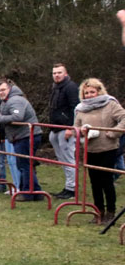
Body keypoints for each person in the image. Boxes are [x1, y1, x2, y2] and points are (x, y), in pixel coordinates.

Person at [66, 78, 125, 223]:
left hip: (108, 148)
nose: (89, 95)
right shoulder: (81, 108)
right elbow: (76, 128)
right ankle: (98, 211)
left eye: (92, 92)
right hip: (90, 149)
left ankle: (111, 212)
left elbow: (124, 118)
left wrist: (113, 132)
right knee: (94, 182)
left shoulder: (110, 104)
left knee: (107, 181)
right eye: (86, 93)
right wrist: (81, 133)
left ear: (99, 91)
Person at [0, 79, 44, 201]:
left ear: (10, 89)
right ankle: (36, 192)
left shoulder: (15, 100)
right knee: (25, 164)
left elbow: (18, 116)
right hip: (21, 136)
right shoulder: (6, 102)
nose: (1, 92)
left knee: (24, 165)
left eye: (3, 90)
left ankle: (27, 192)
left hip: (26, 136)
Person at [48, 63, 79, 199]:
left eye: (59, 72)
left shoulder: (71, 87)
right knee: (62, 159)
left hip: (66, 128)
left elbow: (75, 108)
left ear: (65, 73)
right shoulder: (56, 88)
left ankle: (72, 189)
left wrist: (71, 127)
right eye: (54, 73)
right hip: (55, 128)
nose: (56, 75)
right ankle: (68, 186)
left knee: (68, 158)